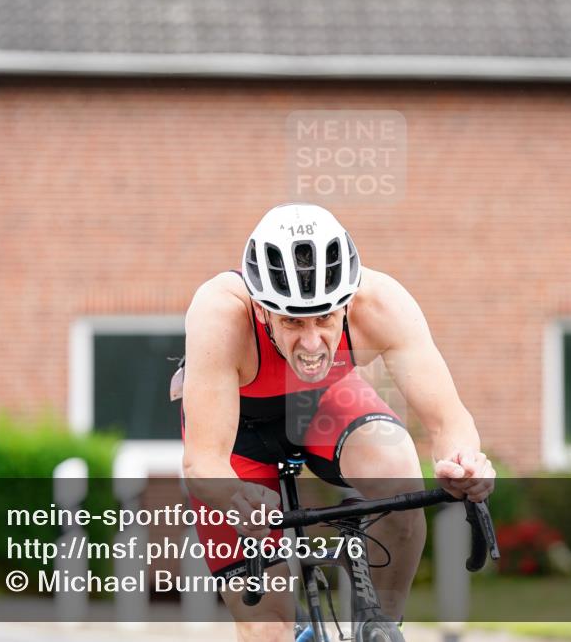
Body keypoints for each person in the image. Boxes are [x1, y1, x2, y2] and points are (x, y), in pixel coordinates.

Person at [178, 203, 495, 641]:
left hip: (324, 406)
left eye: (325, 317)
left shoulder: (382, 303)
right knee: (266, 628)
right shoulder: (220, 312)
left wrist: (465, 464)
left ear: (347, 302)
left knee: (399, 475)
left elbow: (448, 420)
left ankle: (379, 626)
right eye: (292, 320)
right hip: (237, 439)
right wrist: (234, 496)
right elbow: (203, 463)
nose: (311, 342)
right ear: (262, 308)